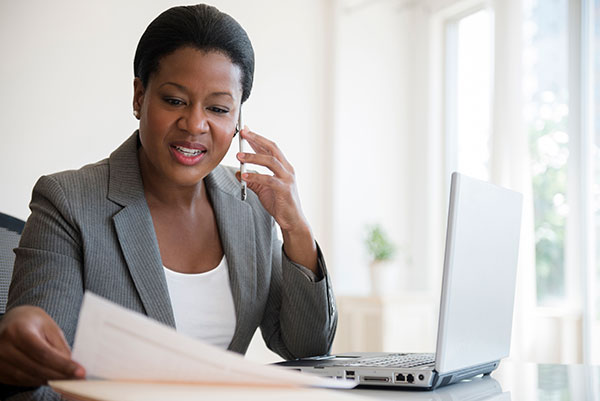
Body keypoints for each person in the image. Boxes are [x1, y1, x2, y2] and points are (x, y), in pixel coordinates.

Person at [0, 4, 337, 399]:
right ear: (139, 96)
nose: (195, 124)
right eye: (175, 100)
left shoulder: (250, 204)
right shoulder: (69, 201)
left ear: (237, 122)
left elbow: (306, 350)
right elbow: (40, 372)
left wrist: (296, 228)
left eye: (218, 108)